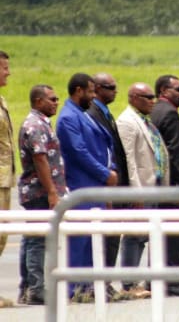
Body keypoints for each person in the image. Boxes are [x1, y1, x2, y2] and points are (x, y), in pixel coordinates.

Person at [56, 73, 118, 302]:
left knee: (93, 239)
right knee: (79, 239)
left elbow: (104, 144)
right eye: (91, 92)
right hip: (82, 185)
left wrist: (110, 170)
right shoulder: (68, 118)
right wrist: (105, 173)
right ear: (79, 91)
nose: (94, 97)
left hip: (97, 186)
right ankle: (73, 290)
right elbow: (79, 152)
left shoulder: (83, 115)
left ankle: (88, 287)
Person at [116, 83, 169, 298]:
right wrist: (135, 191)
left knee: (144, 236)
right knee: (134, 235)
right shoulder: (127, 122)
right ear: (134, 98)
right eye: (148, 97)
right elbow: (129, 159)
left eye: (154, 97)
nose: (153, 101)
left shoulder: (146, 121)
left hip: (152, 186)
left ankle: (135, 281)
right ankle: (129, 284)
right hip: (141, 188)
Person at [17, 85, 67, 305]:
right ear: (38, 101)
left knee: (31, 239)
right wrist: (52, 192)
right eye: (52, 99)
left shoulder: (41, 123)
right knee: (37, 240)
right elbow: (40, 159)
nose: (56, 102)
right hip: (40, 191)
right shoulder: (35, 125)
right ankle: (36, 289)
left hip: (39, 191)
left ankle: (27, 288)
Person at [86, 72, 131, 301]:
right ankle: (99, 284)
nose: (115, 91)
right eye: (110, 87)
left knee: (114, 236)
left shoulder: (106, 113)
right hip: (106, 185)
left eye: (115, 86)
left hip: (117, 183)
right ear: (96, 89)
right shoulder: (92, 114)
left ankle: (106, 283)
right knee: (106, 237)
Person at [150, 75, 179, 296]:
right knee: (175, 235)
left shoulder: (155, 111)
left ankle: (157, 279)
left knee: (160, 235)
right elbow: (176, 155)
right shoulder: (169, 114)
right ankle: (172, 282)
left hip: (160, 185)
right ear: (164, 91)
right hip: (173, 187)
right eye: (178, 89)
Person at [0, 50, 15, 308]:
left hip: (4, 178)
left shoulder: (2, 100)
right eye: (4, 68)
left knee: (2, 236)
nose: (8, 73)